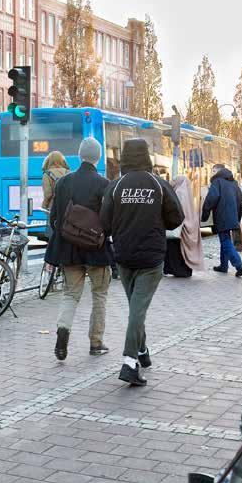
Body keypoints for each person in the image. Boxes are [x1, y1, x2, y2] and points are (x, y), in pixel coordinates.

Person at [101, 138, 184, 386]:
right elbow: (176, 218)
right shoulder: (158, 185)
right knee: (138, 310)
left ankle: (142, 353)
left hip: (124, 257)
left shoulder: (116, 186)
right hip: (151, 258)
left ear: (124, 157)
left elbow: (104, 224)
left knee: (136, 308)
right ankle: (129, 361)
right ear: (146, 156)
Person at [45, 140, 112, 360]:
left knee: (70, 295)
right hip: (97, 250)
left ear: (79, 155)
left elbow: (54, 218)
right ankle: (96, 342)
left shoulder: (63, 182)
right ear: (98, 157)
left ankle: (62, 337)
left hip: (69, 249)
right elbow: (109, 220)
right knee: (99, 296)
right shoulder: (104, 184)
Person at [201, 163, 242, 277]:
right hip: (233, 216)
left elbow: (211, 199)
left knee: (225, 241)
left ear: (217, 171)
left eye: (213, 171)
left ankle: (238, 264)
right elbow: (241, 201)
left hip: (222, 216)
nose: (212, 173)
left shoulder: (217, 182)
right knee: (225, 240)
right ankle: (223, 266)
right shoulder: (234, 183)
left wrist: (204, 215)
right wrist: (238, 218)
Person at [164, 175, 205, 278]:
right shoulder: (187, 192)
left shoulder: (178, 192)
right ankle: (185, 270)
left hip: (180, 226)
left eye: (174, 180)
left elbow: (176, 210)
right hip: (190, 223)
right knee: (183, 250)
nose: (172, 182)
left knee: (175, 248)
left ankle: (177, 270)